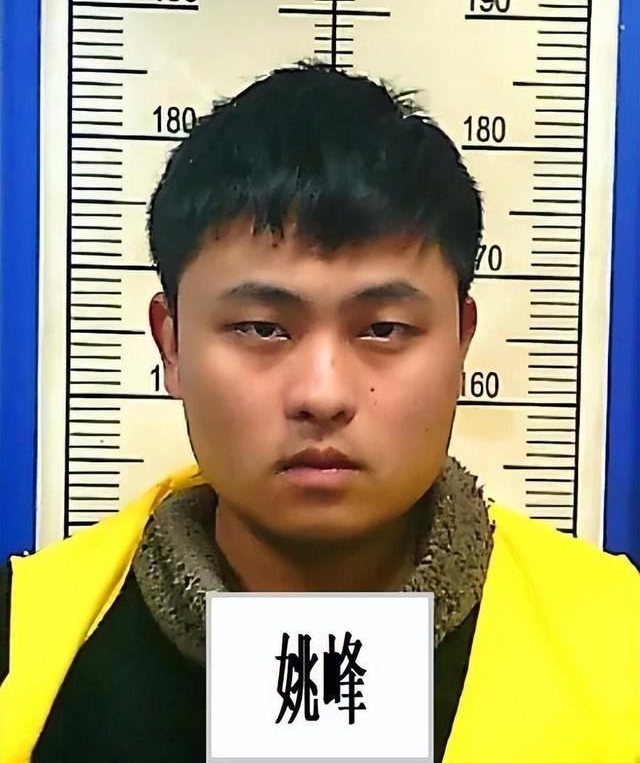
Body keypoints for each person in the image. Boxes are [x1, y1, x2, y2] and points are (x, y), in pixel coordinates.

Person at [1, 61, 638, 763]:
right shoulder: (24, 642)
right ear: (171, 343)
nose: (323, 394)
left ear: (461, 342)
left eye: (384, 329)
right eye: (262, 328)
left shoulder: (620, 640)